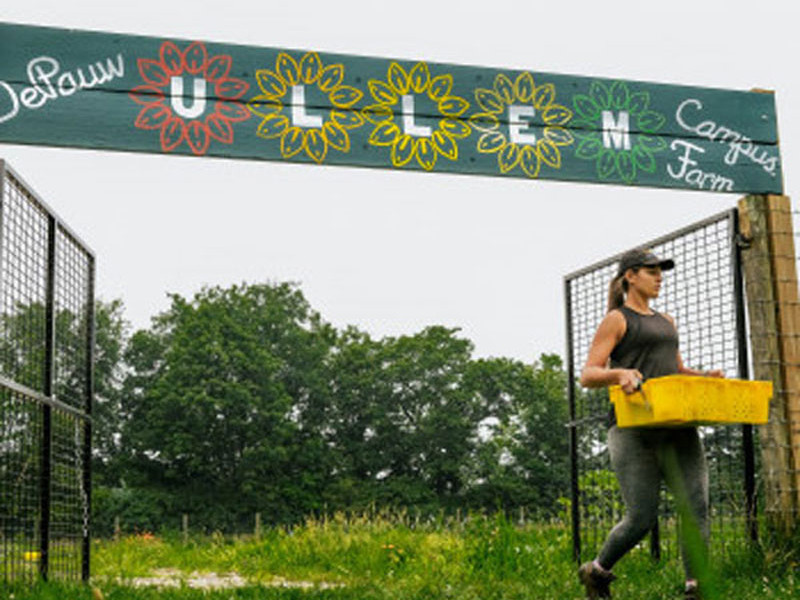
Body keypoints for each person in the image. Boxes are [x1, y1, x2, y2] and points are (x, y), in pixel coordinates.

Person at [577, 248, 723, 600]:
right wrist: (619, 373)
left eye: (661, 271)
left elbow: (675, 369)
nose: (659, 276)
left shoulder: (666, 321)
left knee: (696, 507)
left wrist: (704, 376)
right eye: (652, 270)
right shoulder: (617, 319)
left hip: (676, 424)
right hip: (633, 428)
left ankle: (696, 589)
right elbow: (588, 374)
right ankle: (596, 572)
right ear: (630, 275)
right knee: (642, 517)